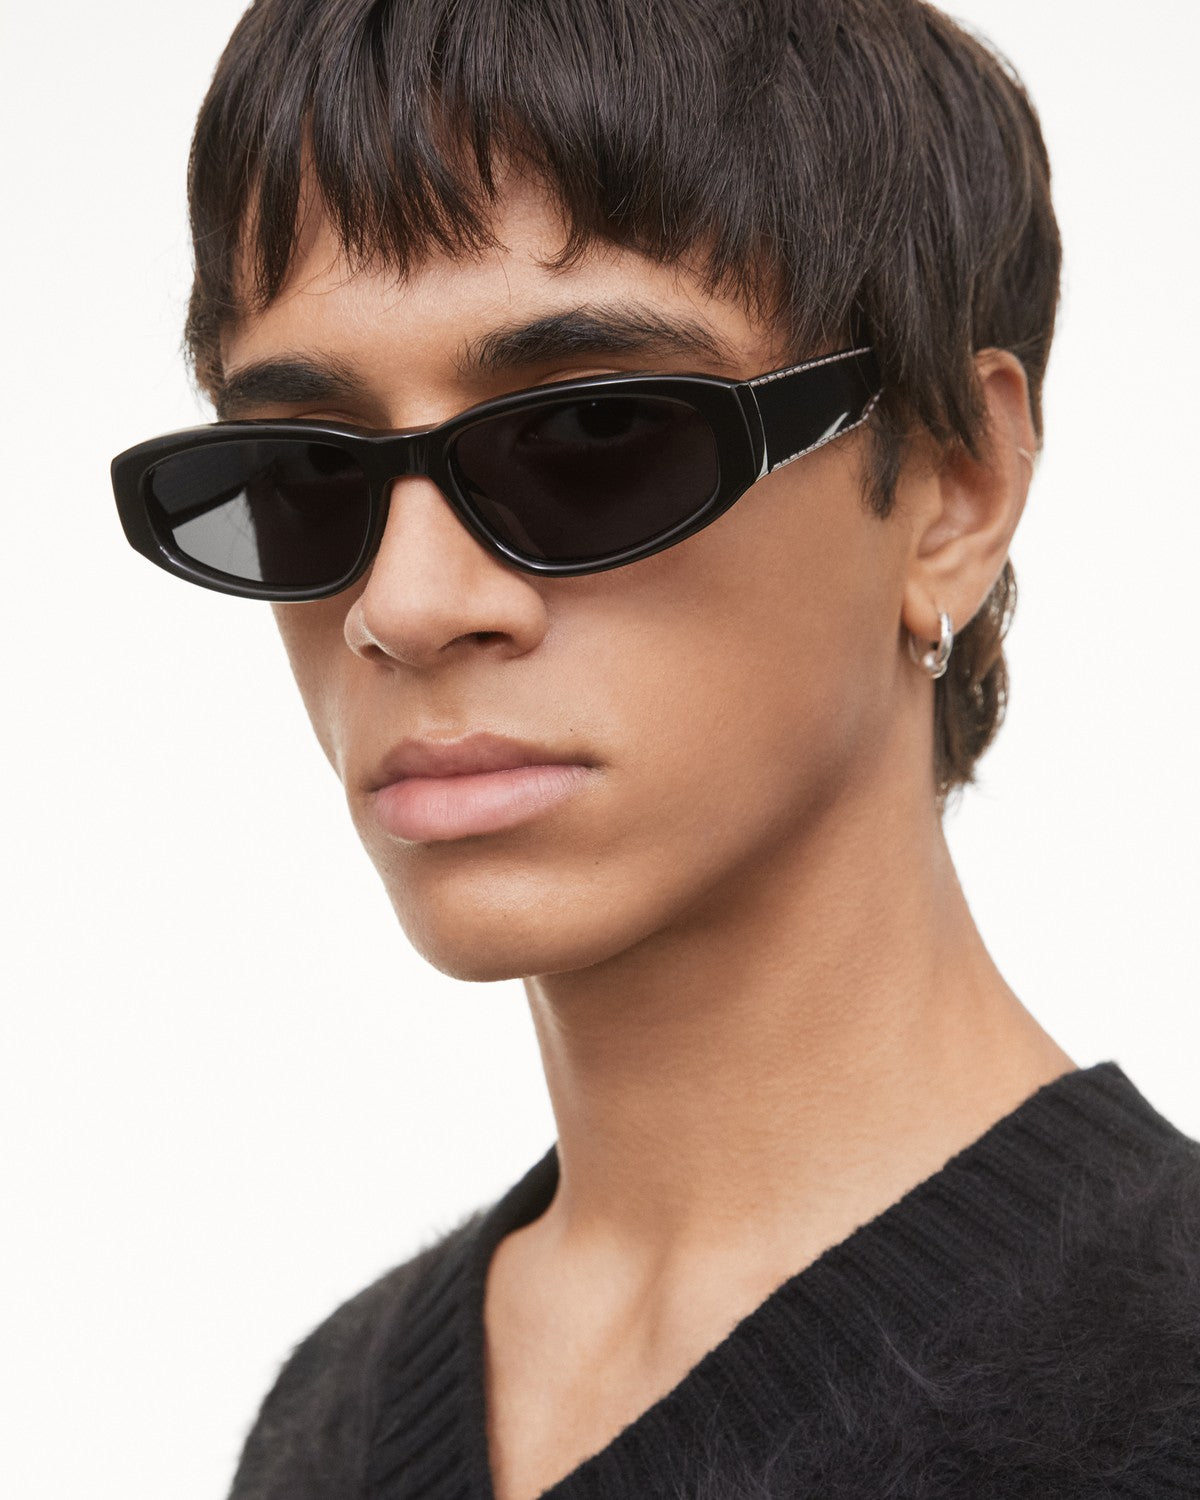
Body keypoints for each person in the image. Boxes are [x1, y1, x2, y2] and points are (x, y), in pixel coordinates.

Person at [111, 1, 1200, 1495]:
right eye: (304, 471)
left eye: (592, 437)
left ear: (953, 490)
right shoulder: (327, 1425)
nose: (404, 606)